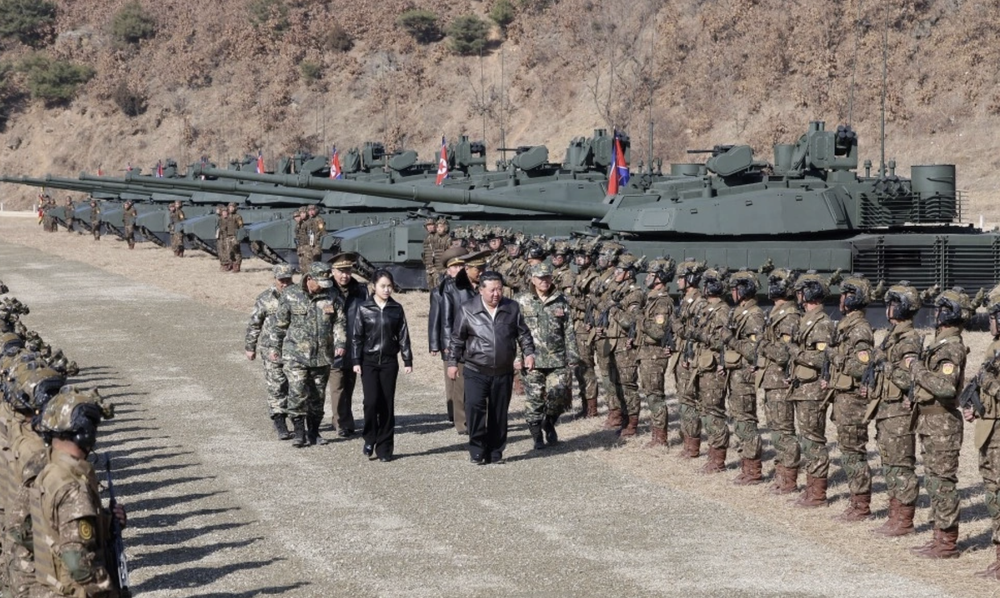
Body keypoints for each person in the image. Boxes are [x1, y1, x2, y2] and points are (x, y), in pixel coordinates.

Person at [31, 389, 127, 598]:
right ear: (85, 433)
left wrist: (106, 523)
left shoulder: (49, 471)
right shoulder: (73, 489)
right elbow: (78, 563)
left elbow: (57, 530)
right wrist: (109, 592)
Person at [448, 271, 535, 464]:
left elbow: (523, 334)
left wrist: (529, 353)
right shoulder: (467, 309)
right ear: (481, 290)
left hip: (503, 370)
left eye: (499, 289)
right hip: (475, 369)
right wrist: (452, 362)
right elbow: (457, 339)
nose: (496, 294)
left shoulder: (512, 308)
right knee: (474, 409)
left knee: (499, 413)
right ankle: (477, 450)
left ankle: (496, 451)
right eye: (492, 290)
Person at [908, 287, 969, 558]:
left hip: (942, 423)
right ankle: (938, 536)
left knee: (943, 482)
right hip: (931, 421)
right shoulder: (940, 343)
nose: (936, 314)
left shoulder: (951, 347)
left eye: (942, 309)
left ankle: (947, 543)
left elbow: (945, 387)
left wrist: (916, 368)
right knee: (934, 481)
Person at [866, 282, 922, 536]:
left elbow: (911, 379)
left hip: (899, 412)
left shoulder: (909, 339)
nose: (888, 308)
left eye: (892, 304)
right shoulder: (893, 336)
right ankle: (894, 515)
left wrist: (885, 365)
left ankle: (904, 521)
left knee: (901, 467)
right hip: (886, 410)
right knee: (889, 464)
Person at [271, 262, 346, 447]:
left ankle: (314, 432)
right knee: (297, 393)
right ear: (309, 279)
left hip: (322, 356)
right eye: (319, 283)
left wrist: (340, 343)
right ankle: (299, 432)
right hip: (295, 355)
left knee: (317, 397)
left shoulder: (332, 295)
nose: (322, 287)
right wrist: (275, 348)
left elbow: (339, 321)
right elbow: (280, 325)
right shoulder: (291, 294)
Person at [825, 275, 875, 520]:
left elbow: (862, 367)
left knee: (854, 452)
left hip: (853, 400)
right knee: (848, 451)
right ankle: (856, 502)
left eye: (846, 295)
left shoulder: (859, 329)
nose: (841, 299)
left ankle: (861, 506)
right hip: (843, 397)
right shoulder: (847, 326)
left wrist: (834, 356)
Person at [515, 263, 578, 450]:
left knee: (559, 394)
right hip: (531, 360)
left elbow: (569, 330)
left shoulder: (561, 300)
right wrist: (517, 357)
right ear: (532, 279)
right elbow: (513, 332)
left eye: (547, 277)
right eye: (540, 278)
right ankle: (536, 436)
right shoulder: (521, 300)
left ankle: (549, 422)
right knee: (535, 399)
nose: (545, 281)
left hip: (557, 359)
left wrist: (573, 355)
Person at [351, 269, 413, 462]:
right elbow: (357, 337)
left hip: (388, 362)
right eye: (383, 286)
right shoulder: (364, 308)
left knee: (386, 404)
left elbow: (403, 335)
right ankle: (370, 437)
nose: (387, 290)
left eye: (389, 286)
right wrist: (356, 361)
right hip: (368, 361)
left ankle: (385, 447)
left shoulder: (396, 308)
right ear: (373, 286)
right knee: (370, 403)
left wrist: (407, 360)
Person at [787, 272, 836, 507]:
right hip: (802, 388)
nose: (798, 295)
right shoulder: (806, 319)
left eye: (801, 291)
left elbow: (822, 358)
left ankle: (817, 494)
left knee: (814, 441)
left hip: (813, 391)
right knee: (807, 440)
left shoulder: (821, 323)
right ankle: (811, 488)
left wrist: (796, 352)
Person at [965, 283, 1000, 578]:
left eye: (993, 316)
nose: (989, 321)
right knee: (993, 491)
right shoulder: (995, 347)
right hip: (991, 427)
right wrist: (976, 405)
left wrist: (985, 381)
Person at [758, 268, 802, 494]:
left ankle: (788, 480)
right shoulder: (776, 313)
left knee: (784, 431)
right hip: (771, 379)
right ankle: (782, 474)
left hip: (780, 381)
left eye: (777, 282)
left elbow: (784, 353)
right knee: (776, 429)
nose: (772, 286)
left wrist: (763, 345)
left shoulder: (789, 316)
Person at [723, 269, 766, 483]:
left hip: (744, 375)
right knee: (739, 420)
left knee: (746, 421)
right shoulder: (739, 311)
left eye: (735, 288)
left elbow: (753, 350)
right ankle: (746, 466)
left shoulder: (753, 315)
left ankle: (753, 470)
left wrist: (730, 340)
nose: (732, 292)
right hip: (735, 373)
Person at [246, 265, 296, 440]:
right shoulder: (265, 298)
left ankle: (298, 420)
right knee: (277, 385)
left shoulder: (299, 296)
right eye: (281, 280)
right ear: (275, 279)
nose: (285, 284)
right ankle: (279, 420)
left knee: (296, 385)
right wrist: (250, 347)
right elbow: (254, 324)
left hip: (295, 349)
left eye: (288, 280)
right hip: (271, 350)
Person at [429, 247, 475, 433]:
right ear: (448, 270)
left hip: (468, 342)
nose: (458, 270)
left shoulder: (470, 288)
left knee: (462, 381)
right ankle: (454, 414)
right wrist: (436, 344)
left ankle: (462, 414)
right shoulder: (440, 290)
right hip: (449, 342)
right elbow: (437, 320)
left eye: (461, 266)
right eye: (454, 267)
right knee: (452, 381)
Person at [693, 267, 732, 473]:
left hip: (715, 366)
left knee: (714, 412)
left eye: (709, 283)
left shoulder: (722, 310)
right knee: (706, 410)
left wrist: (701, 336)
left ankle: (718, 460)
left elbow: (722, 341)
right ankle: (712, 454)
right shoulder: (707, 309)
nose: (705, 287)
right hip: (704, 365)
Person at [328, 252, 370, 437]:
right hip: (331, 346)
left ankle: (344, 419)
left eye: (347, 271)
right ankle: (341, 423)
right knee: (337, 386)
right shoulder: (326, 289)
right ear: (333, 271)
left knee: (349, 385)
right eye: (340, 271)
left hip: (354, 345)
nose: (344, 275)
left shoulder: (360, 290)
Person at [637, 258, 676, 447]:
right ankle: (656, 435)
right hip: (647, 353)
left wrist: (640, 319)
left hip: (655, 354)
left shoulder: (662, 302)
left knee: (655, 395)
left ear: (660, 278)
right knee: (650, 393)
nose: (647, 278)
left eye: (651, 275)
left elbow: (659, 332)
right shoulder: (652, 299)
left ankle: (660, 438)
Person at [673, 258, 708, 458]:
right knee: (684, 399)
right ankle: (688, 442)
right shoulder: (686, 299)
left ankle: (693, 445)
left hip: (692, 356)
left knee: (689, 399)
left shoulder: (699, 303)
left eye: (681, 278)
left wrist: (678, 327)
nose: (678, 281)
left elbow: (697, 332)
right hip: (682, 353)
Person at [225, 203, 245, 273]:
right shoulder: (227, 217)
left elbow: (241, 226)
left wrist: (239, 236)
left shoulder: (238, 217)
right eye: (230, 207)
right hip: (228, 236)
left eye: (232, 207)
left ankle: (237, 266)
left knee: (236, 251)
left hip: (235, 236)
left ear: (235, 208)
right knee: (229, 252)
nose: (231, 209)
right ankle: (232, 265)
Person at [421, 218, 438, 288]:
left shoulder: (439, 237)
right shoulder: (427, 238)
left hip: (437, 267)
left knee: (438, 286)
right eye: (428, 225)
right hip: (429, 267)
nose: (430, 227)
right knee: (431, 287)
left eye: (431, 225)